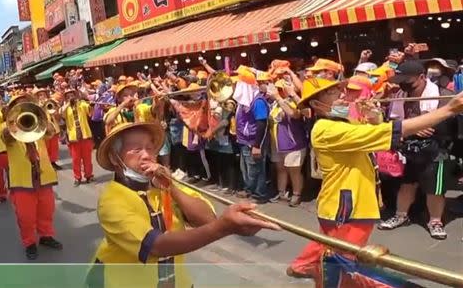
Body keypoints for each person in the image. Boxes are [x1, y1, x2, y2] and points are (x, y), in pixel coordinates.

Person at [287, 78, 463, 279]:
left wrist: (374, 116)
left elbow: (374, 131)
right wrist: (448, 110)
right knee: (341, 265)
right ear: (317, 105)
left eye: (339, 90)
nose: (342, 95)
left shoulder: (340, 123)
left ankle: (304, 266)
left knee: (331, 250)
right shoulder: (327, 129)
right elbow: (390, 132)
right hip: (347, 209)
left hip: (345, 204)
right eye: (332, 93)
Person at [86, 121, 278, 288]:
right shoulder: (111, 200)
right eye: (136, 150)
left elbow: (207, 219)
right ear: (115, 158)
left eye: (150, 148)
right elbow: (157, 247)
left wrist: (172, 189)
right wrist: (225, 227)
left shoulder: (163, 184)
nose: (146, 155)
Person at [377, 60, 458, 240]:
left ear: (422, 77)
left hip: (436, 150)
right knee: (407, 185)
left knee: (434, 189)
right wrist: (412, 129)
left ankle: (435, 221)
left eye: (408, 80)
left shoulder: (443, 96)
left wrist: (429, 126)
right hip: (409, 148)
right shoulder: (400, 94)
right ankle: (400, 215)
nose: (404, 84)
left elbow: (452, 126)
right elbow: (393, 121)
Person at [2, 94, 62, 260]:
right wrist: (15, 122)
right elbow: (5, 136)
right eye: (19, 105)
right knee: (25, 216)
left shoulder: (39, 124)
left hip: (43, 176)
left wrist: (41, 114)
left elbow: (52, 132)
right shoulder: (5, 127)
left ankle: (46, 236)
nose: (24, 107)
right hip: (21, 181)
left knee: (47, 210)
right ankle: (29, 243)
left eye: (27, 104)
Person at [266, 79, 308, 207]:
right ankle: (282, 192)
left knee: (294, 170)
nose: (277, 91)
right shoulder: (274, 104)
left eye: (280, 89)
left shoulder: (295, 102)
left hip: (293, 143)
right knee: (280, 169)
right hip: (278, 143)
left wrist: (278, 98)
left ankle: (296, 194)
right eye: (277, 89)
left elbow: (293, 114)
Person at [234, 70, 271, 203]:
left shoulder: (257, 101)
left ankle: (260, 193)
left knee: (257, 168)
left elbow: (262, 122)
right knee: (249, 168)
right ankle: (250, 189)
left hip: (254, 141)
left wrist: (257, 145)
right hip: (245, 140)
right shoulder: (245, 100)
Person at [61, 88, 95, 185]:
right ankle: (77, 177)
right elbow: (61, 115)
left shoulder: (81, 104)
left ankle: (89, 175)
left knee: (87, 159)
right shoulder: (65, 108)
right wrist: (68, 103)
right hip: (73, 138)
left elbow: (90, 113)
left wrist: (91, 105)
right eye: (68, 95)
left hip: (85, 136)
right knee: (76, 160)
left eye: (72, 95)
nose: (71, 97)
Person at [33, 88, 62, 170]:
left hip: (54, 127)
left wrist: (54, 108)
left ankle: (53, 162)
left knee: (54, 147)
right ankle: (47, 163)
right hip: (44, 129)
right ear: (38, 97)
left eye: (44, 94)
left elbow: (57, 115)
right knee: (46, 147)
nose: (42, 96)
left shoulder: (51, 102)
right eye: (40, 95)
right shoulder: (36, 105)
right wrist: (41, 106)